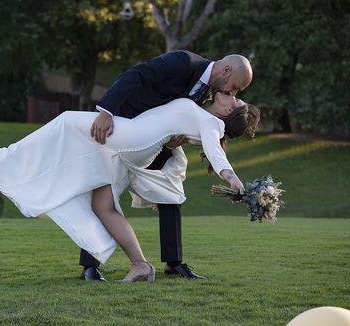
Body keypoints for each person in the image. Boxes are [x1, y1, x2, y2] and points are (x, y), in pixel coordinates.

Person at [0, 92, 260, 282]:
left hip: (131, 138)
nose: (230, 94)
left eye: (234, 98)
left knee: (65, 121)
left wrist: (231, 177)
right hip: (129, 144)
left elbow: (216, 153)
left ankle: (0, 156)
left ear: (227, 111)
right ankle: (140, 265)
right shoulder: (202, 110)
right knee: (102, 206)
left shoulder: (212, 124)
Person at [84, 51, 253, 281]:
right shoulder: (184, 62)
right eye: (234, 88)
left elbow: (196, 127)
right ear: (225, 71)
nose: (232, 94)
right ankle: (90, 265)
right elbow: (137, 74)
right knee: (100, 193)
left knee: (172, 193)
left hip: (153, 145)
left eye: (236, 94)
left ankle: (173, 263)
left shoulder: (211, 92)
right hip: (123, 126)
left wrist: (179, 135)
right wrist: (106, 111)